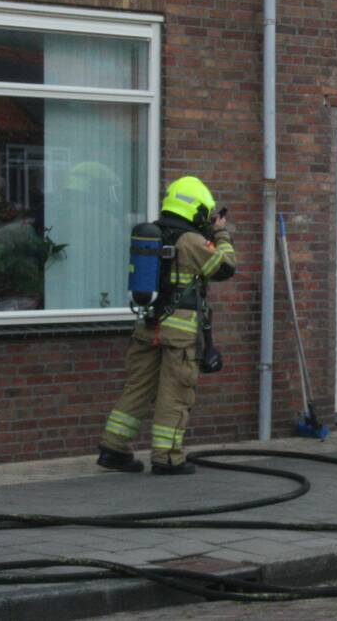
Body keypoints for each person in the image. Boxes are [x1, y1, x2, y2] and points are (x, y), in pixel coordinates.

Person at [96, 175, 236, 475]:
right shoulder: (192, 241)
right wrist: (221, 235)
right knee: (176, 393)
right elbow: (225, 268)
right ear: (197, 211)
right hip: (180, 335)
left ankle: (113, 448)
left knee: (137, 388)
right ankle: (167, 457)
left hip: (147, 326)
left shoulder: (153, 233)